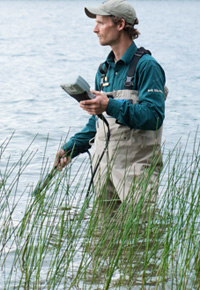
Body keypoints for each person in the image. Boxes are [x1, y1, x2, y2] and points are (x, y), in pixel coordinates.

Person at [54, 0, 167, 206]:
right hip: (103, 169)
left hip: (136, 171)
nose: (95, 29)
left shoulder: (147, 66)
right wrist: (71, 147)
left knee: (140, 234)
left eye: (100, 23)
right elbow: (99, 123)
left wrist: (109, 105)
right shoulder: (104, 70)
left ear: (120, 24)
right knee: (102, 237)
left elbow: (154, 116)